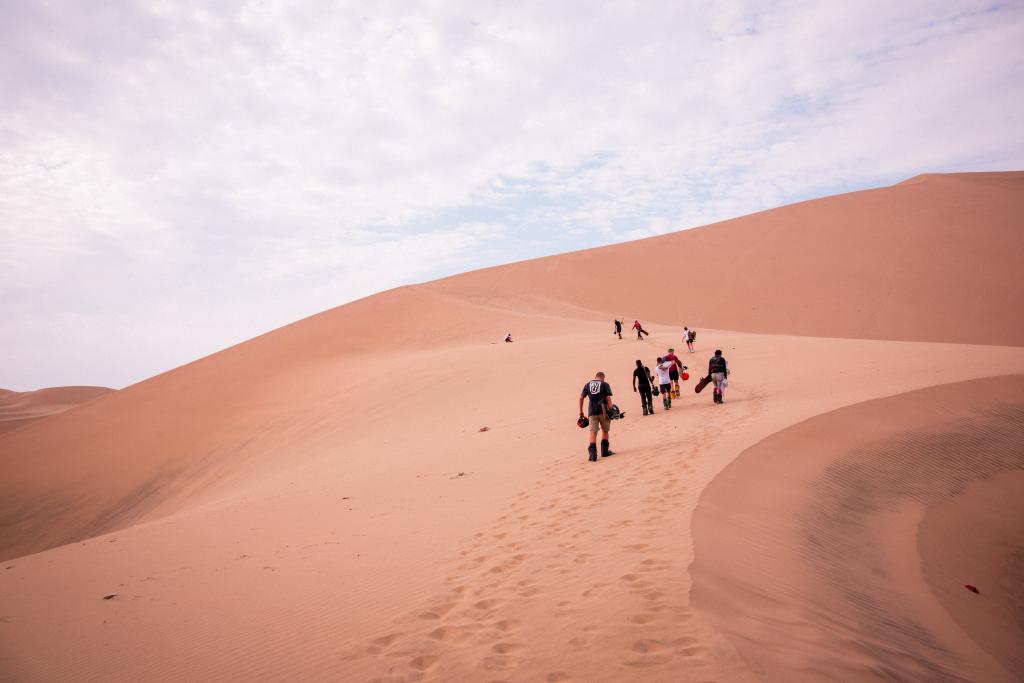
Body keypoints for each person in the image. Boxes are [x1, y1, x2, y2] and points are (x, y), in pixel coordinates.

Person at [579, 371, 615, 461]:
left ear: (595, 377)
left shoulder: (588, 384)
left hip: (592, 412)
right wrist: (611, 410)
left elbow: (581, 398)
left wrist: (581, 411)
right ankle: (604, 451)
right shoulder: (604, 384)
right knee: (605, 431)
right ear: (603, 377)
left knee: (593, 433)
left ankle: (593, 455)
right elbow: (608, 398)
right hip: (603, 411)